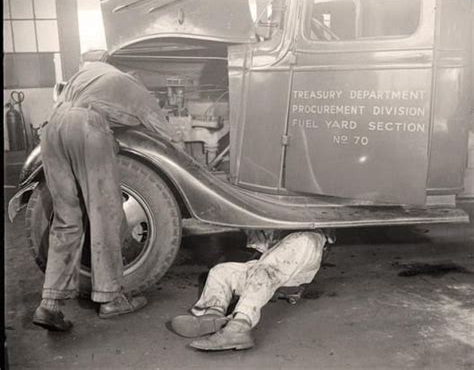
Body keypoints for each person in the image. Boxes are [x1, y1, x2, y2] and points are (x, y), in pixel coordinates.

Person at [32, 61, 179, 331]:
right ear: (136, 76)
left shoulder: (91, 70)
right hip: (86, 126)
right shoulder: (134, 87)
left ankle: (49, 304)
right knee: (105, 215)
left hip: (52, 128)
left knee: (66, 220)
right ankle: (111, 299)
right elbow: (168, 135)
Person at [171, 229, 333, 351]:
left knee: (264, 272)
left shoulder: (305, 239)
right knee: (221, 272)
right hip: (273, 252)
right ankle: (213, 314)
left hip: (305, 237)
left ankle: (239, 326)